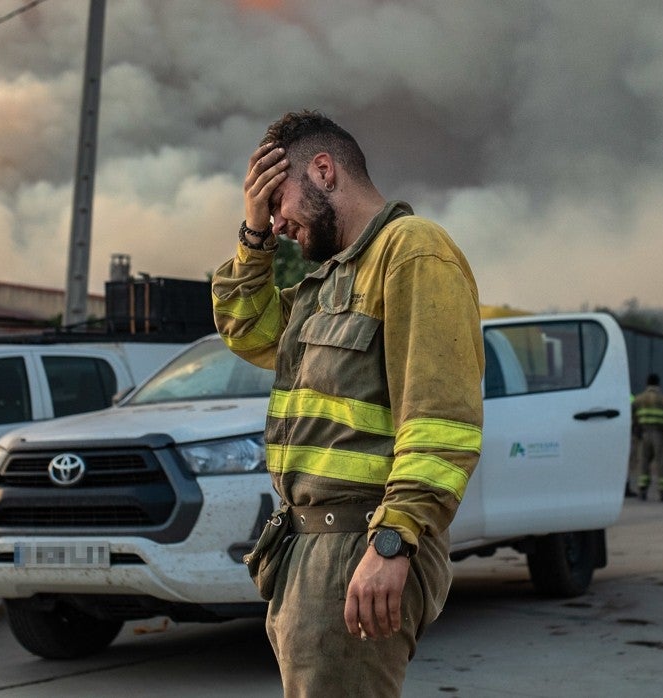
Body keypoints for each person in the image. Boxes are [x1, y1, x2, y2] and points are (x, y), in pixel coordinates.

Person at [211, 110, 485, 696]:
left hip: (360, 547)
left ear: (324, 170)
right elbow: (248, 330)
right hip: (310, 552)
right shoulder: (331, 279)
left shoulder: (412, 252)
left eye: (277, 199)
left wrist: (393, 541)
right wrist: (253, 236)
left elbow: (441, 423)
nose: (278, 220)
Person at [631, 373, 663, 502]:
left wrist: (637, 431)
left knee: (643, 461)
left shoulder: (638, 399)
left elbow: (633, 418)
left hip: (644, 434)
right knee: (662, 463)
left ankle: (642, 490)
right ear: (658, 384)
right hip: (658, 434)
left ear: (647, 383)